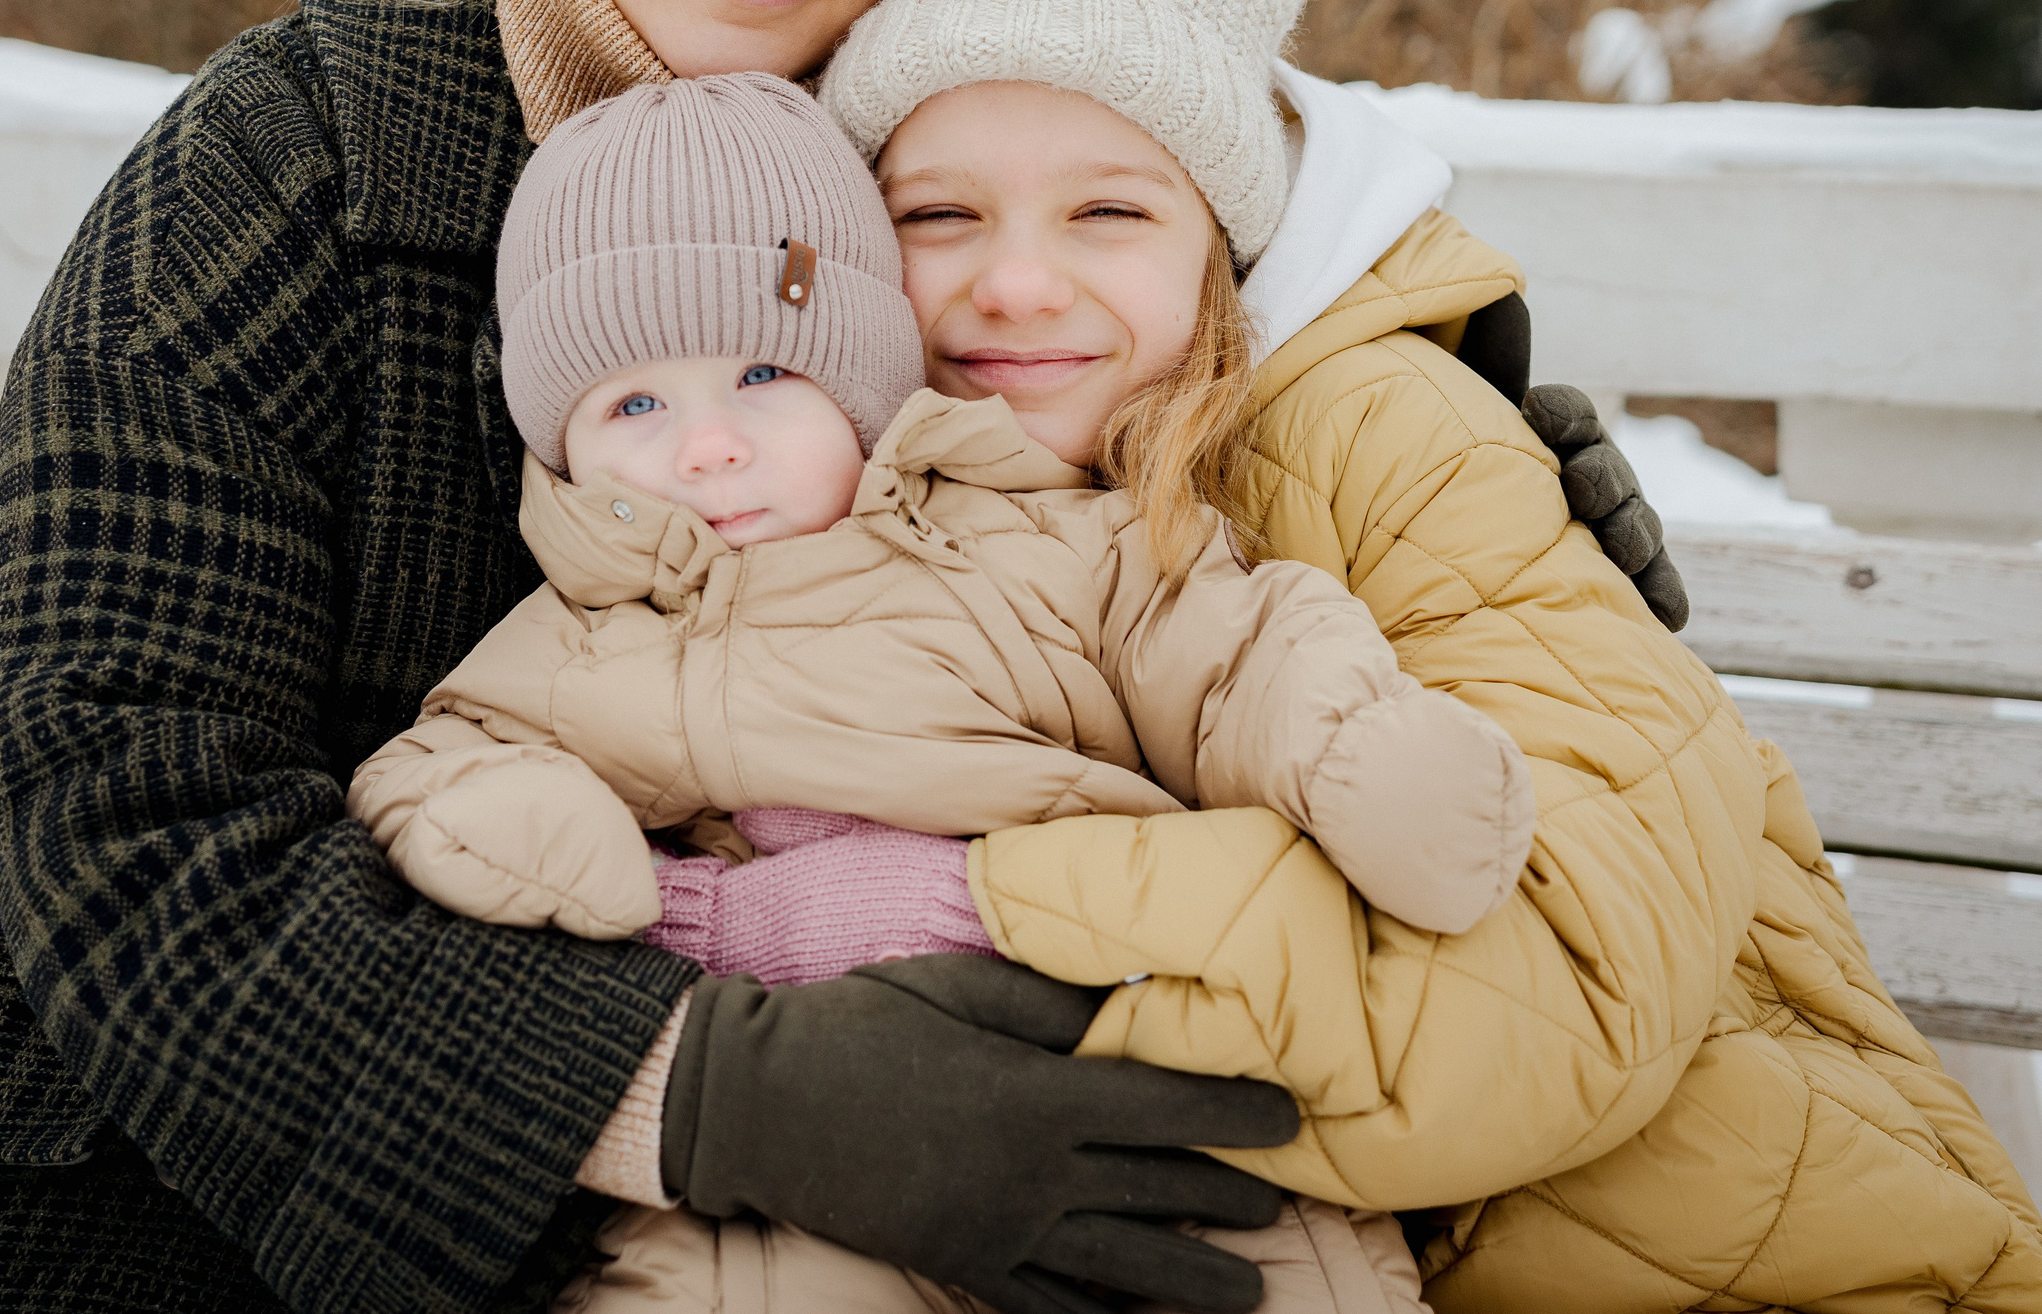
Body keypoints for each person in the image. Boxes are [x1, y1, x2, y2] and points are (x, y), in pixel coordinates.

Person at [0, 0, 1683, 1314]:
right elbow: (121, 821)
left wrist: (1435, 425)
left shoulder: (862, 147)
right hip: (132, 1209)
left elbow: (1117, 374)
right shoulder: (278, 175)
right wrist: (698, 1089)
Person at [795, 0, 2042, 1310]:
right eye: (939, 217)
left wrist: (964, 976)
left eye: (1107, 213)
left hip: (1756, 1241)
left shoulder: (1386, 428)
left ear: (1226, 244)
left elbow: (1578, 970)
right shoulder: (860, 502)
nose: (1016, 285)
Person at [350, 64, 1531, 1312]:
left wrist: (1350, 748)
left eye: (762, 374)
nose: (710, 444)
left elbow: (1229, 645)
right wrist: (531, 830)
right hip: (799, 1148)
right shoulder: (581, 636)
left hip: (1119, 1074)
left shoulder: (1035, 536)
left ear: (861, 375)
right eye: (635, 401)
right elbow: (444, 761)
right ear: (562, 444)